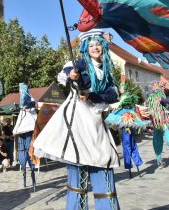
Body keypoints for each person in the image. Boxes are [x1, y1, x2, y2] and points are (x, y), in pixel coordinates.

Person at [33, 30, 120, 210]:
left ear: (103, 46)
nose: (95, 48)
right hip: (78, 122)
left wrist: (92, 97)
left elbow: (112, 94)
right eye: (91, 45)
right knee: (78, 168)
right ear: (85, 49)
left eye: (97, 44)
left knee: (103, 163)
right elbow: (66, 75)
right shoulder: (79, 64)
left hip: (96, 123)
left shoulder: (107, 70)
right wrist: (73, 76)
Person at [147, 81, 169, 169]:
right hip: (157, 124)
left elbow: (166, 103)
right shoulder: (152, 98)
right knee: (157, 142)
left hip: (163, 123)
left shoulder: (160, 97)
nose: (163, 88)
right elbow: (152, 111)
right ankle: (159, 160)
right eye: (161, 87)